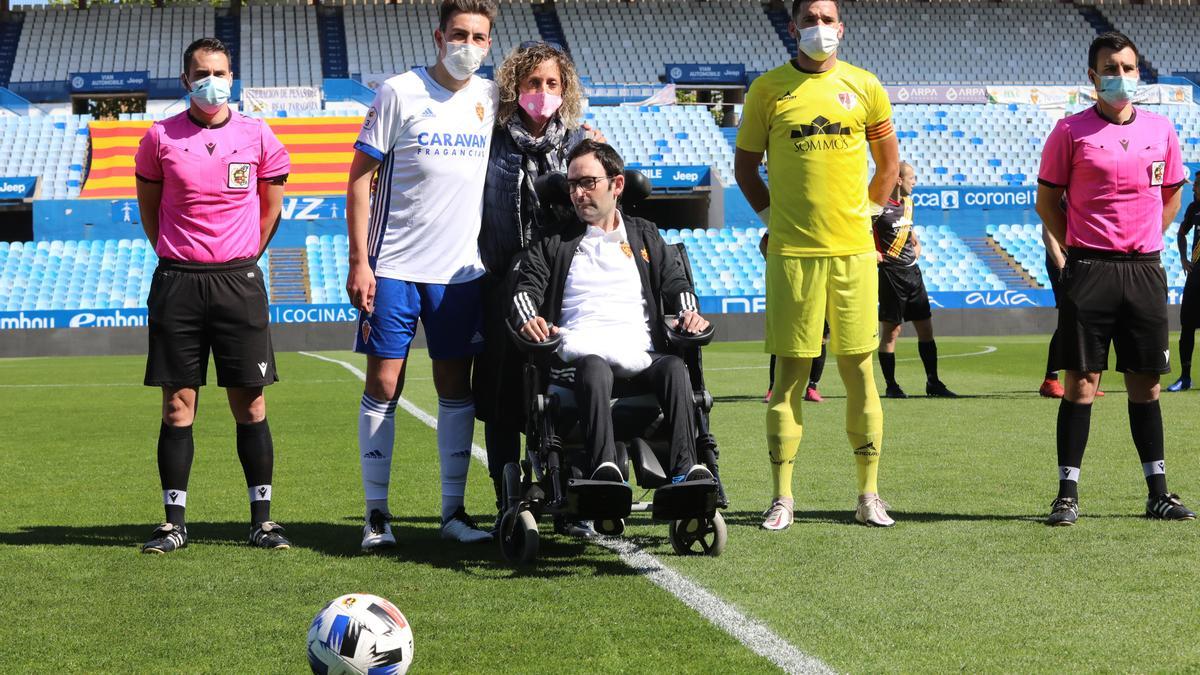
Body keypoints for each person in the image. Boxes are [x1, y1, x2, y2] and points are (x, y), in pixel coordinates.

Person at [734, 0, 899, 531]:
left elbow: (889, 163)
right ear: (792, 28)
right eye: (810, 19)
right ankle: (782, 497)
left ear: (842, 29)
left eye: (827, 20)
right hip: (793, 256)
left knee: (859, 372)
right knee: (789, 376)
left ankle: (869, 494)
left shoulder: (866, 86)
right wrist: (771, 220)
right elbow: (745, 168)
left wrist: (869, 216)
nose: (819, 28)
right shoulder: (766, 90)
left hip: (854, 254)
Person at [345, 0, 498, 550]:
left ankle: (452, 512)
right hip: (393, 269)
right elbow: (358, 179)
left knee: (456, 388)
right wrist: (360, 261)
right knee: (385, 383)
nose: (469, 46)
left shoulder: (490, 96)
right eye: (460, 34)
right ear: (439, 36)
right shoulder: (399, 92)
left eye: (480, 38)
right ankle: (376, 514)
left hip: (461, 273)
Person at [134, 37, 290, 554]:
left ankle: (262, 521)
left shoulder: (257, 134)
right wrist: (182, 255)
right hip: (177, 281)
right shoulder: (158, 137)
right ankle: (173, 522)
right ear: (185, 81)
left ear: (232, 77)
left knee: (250, 401)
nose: (212, 82)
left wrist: (239, 256)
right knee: (178, 406)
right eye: (202, 73)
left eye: (221, 72)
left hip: (238, 281)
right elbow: (150, 212)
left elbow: (271, 210)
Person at [1035, 31, 1194, 526]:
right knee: (1081, 384)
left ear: (1137, 72)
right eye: (1111, 68)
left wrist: (1150, 236)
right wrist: (1079, 246)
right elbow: (1046, 203)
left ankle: (1158, 493)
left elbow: (1171, 194)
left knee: (1145, 383)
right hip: (1090, 268)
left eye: (1128, 67)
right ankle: (1067, 495)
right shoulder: (1068, 132)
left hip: (1144, 269)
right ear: (1092, 77)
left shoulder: (1161, 129)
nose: (1121, 76)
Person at [512, 140, 714, 488]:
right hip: (579, 355)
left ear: (616, 185)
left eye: (587, 183)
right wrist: (530, 319)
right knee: (594, 367)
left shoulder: (643, 235)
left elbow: (676, 281)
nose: (577, 194)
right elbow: (524, 291)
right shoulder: (554, 241)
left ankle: (685, 472)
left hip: (638, 352)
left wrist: (689, 312)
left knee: (675, 368)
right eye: (572, 185)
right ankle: (603, 469)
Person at [475, 41, 591, 535]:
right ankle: (507, 495)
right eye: (532, 83)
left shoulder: (581, 145)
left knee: (567, 390)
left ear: (564, 90)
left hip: (568, 287)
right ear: (514, 87)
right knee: (504, 395)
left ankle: (572, 496)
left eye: (551, 84)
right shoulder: (491, 138)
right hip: (504, 283)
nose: (542, 93)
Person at [875, 162, 956, 399]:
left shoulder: (908, 203)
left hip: (913, 273)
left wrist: (916, 241)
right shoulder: (878, 207)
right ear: (898, 180)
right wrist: (873, 252)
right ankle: (891, 386)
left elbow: (907, 228)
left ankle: (933, 382)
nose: (915, 182)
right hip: (891, 274)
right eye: (912, 177)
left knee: (926, 328)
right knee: (892, 332)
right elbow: (862, 231)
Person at [1167, 179, 1200, 392]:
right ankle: (1185, 377)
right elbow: (1181, 233)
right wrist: (1182, 258)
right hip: (1195, 275)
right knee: (1187, 325)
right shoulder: (1194, 208)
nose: (1194, 188)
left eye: (1197, 185)